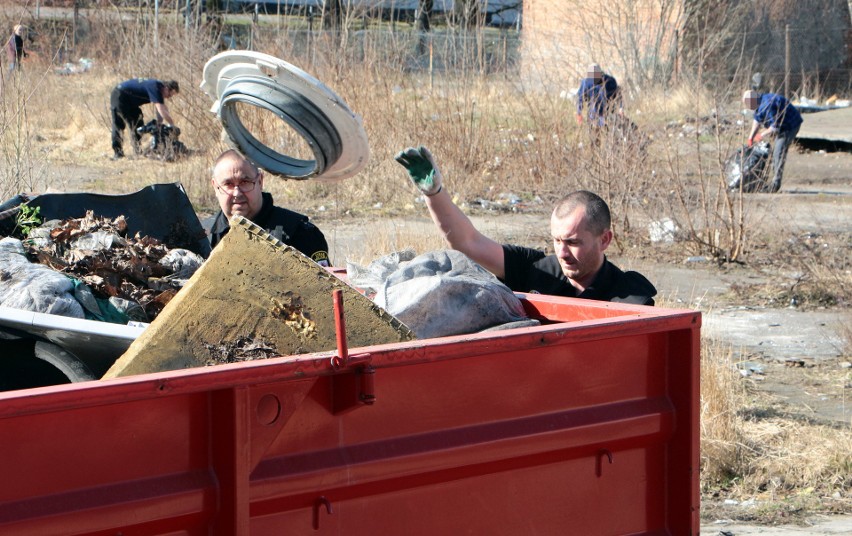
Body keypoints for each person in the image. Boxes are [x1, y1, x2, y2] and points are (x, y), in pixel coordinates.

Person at [394, 146, 657, 305]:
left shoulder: (629, 296)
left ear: (604, 239)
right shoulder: (535, 270)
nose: (562, 253)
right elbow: (468, 243)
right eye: (557, 241)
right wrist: (435, 194)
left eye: (573, 242)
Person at [209, 149, 331, 266]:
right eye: (228, 184)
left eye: (245, 182)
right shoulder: (203, 237)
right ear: (215, 187)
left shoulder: (300, 233)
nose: (237, 193)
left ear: (260, 181)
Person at [742, 89, 803, 193]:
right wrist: (750, 137)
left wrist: (761, 135)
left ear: (752, 101)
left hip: (790, 126)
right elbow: (757, 120)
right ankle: (770, 181)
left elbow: (775, 126)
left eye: (747, 104)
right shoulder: (759, 103)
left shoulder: (768, 105)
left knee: (778, 153)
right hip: (781, 125)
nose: (747, 107)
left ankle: (775, 185)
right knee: (775, 152)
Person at [110, 78, 179, 159]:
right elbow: (161, 109)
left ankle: (137, 150)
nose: (168, 97)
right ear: (167, 88)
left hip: (130, 101)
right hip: (119, 95)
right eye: (170, 94)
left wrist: (159, 123)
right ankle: (118, 153)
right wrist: (171, 124)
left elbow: (160, 109)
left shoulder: (159, 88)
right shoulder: (155, 87)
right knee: (119, 124)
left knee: (138, 123)